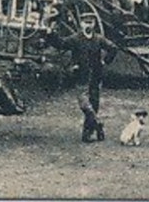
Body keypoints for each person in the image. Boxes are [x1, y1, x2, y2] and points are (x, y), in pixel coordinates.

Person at [49, 10, 120, 142]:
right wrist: (50, 34)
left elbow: (113, 48)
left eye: (91, 22)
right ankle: (98, 124)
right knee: (85, 104)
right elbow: (61, 44)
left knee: (94, 104)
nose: (88, 25)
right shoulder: (75, 39)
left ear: (94, 24)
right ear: (81, 24)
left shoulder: (99, 39)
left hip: (96, 77)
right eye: (85, 22)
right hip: (81, 76)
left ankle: (87, 134)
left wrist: (105, 61)